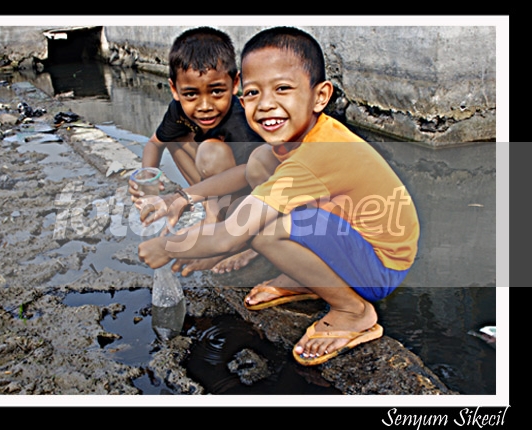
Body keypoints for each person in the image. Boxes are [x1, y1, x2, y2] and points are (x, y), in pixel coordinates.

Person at [138, 26, 420, 366]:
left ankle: (353, 311)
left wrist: (167, 246)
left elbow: (230, 234)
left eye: (283, 88)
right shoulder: (303, 135)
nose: (266, 104)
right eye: (253, 93)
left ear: (320, 96)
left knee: (263, 231)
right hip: (352, 237)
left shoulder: (318, 153)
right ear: (242, 99)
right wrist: (184, 196)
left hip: (379, 267)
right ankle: (307, 277)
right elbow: (245, 173)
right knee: (259, 161)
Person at [129, 26, 264, 276]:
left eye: (216, 92)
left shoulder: (241, 122)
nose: (205, 106)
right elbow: (155, 143)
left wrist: (184, 197)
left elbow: (251, 173)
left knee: (211, 151)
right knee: (174, 137)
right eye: (191, 94)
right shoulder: (178, 110)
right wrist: (147, 177)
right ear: (174, 89)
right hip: (217, 188)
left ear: (235, 84)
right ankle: (214, 216)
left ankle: (240, 238)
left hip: (253, 199)